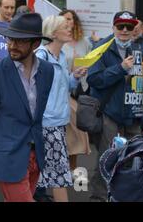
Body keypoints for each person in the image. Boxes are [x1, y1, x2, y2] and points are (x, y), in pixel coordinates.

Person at [87, 11, 143, 202]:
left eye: (129, 26)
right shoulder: (101, 47)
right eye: (120, 26)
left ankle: (126, 195)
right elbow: (94, 79)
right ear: (113, 28)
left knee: (135, 158)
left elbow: (133, 81)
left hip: (132, 114)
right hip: (110, 112)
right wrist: (120, 68)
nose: (125, 30)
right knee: (108, 157)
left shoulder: (137, 48)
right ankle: (99, 197)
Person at [0, 13, 54, 202]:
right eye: (10, 39)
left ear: (35, 44)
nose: (12, 45)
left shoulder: (47, 70)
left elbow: (36, 116)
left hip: (36, 155)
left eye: (19, 41)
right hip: (9, 156)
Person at [35, 16, 88, 202]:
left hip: (59, 121)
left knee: (46, 171)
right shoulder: (40, 56)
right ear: (53, 33)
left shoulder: (62, 55)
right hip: (48, 122)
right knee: (59, 174)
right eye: (65, 27)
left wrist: (75, 76)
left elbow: (65, 85)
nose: (70, 29)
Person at [59, 10, 91, 172]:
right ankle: (62, 172)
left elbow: (92, 59)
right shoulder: (58, 42)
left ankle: (72, 170)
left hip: (83, 91)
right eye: (65, 19)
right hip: (66, 93)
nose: (68, 22)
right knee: (66, 136)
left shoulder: (84, 41)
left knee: (77, 136)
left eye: (70, 19)